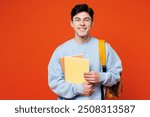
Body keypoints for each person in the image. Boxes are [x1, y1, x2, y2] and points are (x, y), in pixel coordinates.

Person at [48, 4, 122, 100]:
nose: (82, 23)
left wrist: (101, 77)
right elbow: (55, 83)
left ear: (92, 23)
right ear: (71, 23)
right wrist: (78, 89)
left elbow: (117, 75)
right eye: (77, 19)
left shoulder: (104, 48)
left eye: (86, 20)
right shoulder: (61, 51)